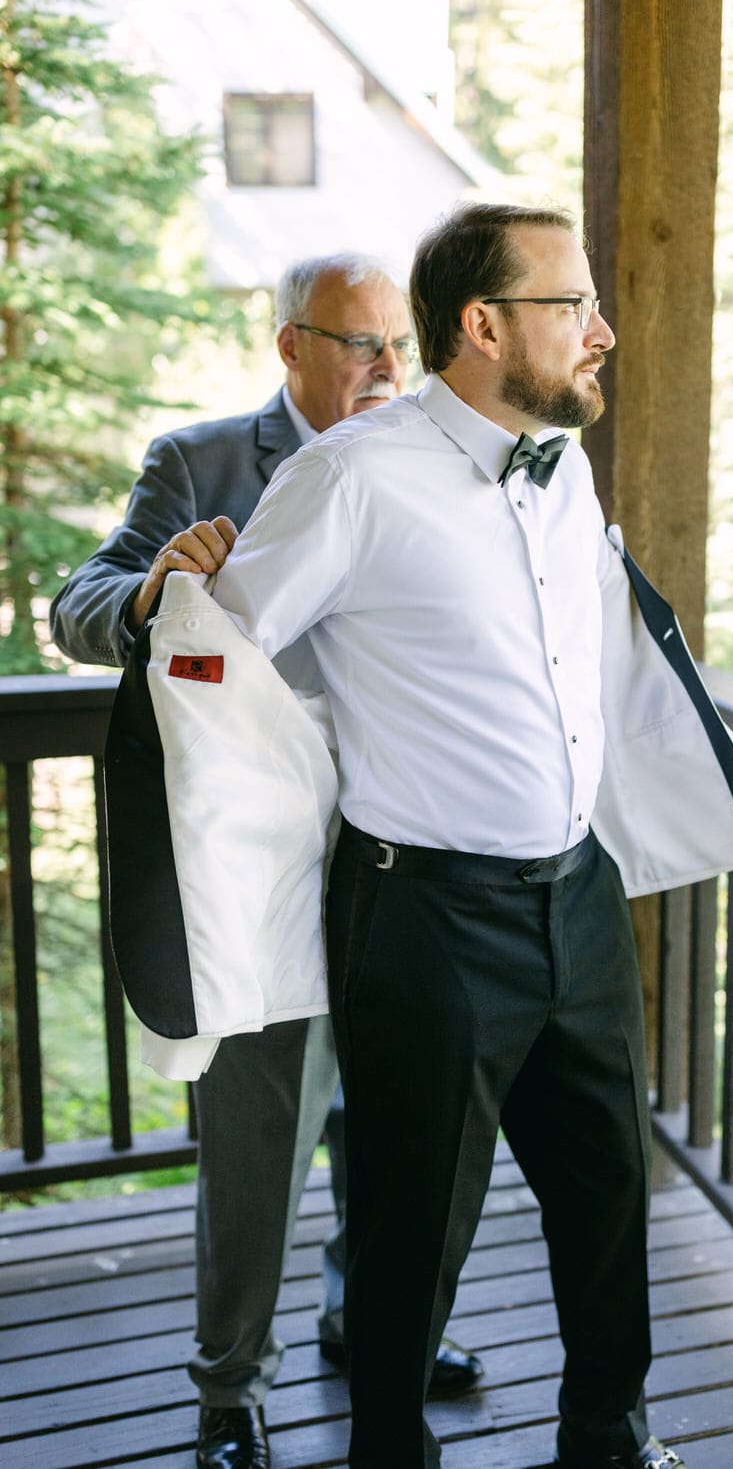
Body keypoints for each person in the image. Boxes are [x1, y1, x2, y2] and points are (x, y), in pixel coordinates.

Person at [210, 204, 699, 1469]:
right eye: (570, 307)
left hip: (578, 900)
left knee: (606, 1200)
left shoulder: (563, 464)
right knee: (414, 1226)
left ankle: (605, 1438)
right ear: (481, 327)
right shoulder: (348, 475)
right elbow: (228, 660)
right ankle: (389, 1454)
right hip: (423, 918)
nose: (601, 333)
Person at [48, 253, 483, 1469]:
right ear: (289, 345)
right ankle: (229, 1387)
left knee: (401, 1118)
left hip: (408, 845)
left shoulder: (436, 459)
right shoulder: (198, 460)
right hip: (256, 868)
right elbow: (74, 606)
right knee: (257, 1136)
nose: (388, 368)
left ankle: (365, 1323)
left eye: (399, 343)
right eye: (358, 344)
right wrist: (148, 591)